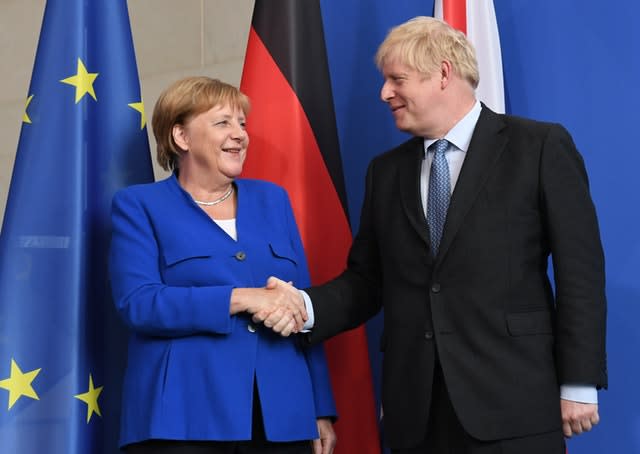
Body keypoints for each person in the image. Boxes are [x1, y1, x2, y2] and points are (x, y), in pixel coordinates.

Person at [257, 16, 607, 454]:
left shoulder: (537, 147)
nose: (385, 93)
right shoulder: (385, 173)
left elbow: (581, 272)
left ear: (443, 73)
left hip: (514, 403)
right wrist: (303, 306)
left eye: (396, 80)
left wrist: (578, 381)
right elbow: (367, 282)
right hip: (416, 413)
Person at [109, 76, 337, 454]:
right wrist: (242, 298)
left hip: (283, 415)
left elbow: (302, 306)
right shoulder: (139, 206)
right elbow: (139, 303)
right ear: (181, 137)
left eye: (242, 123)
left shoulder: (273, 200)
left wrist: (319, 406)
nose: (240, 134)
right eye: (223, 123)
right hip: (182, 417)